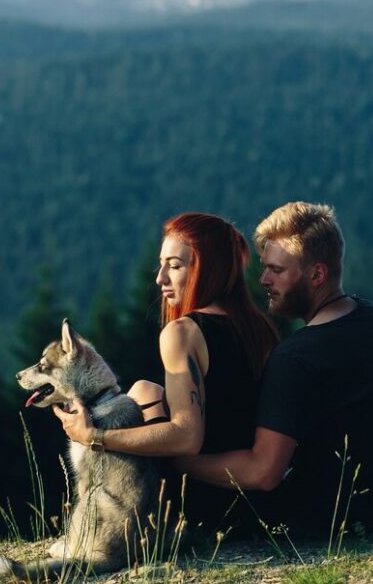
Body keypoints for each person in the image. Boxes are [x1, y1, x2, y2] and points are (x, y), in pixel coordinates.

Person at [175, 201, 373, 533]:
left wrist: (179, 461)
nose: (263, 279)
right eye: (264, 267)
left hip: (335, 522)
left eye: (277, 270)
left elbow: (264, 472)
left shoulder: (295, 358)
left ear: (317, 274)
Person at [53, 212, 279, 530]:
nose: (160, 277)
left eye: (175, 265)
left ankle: (104, 525)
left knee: (140, 394)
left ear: (207, 269)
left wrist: (95, 437)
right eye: (162, 264)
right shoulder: (260, 328)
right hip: (254, 500)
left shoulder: (183, 333)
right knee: (146, 390)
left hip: (203, 507)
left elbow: (187, 437)